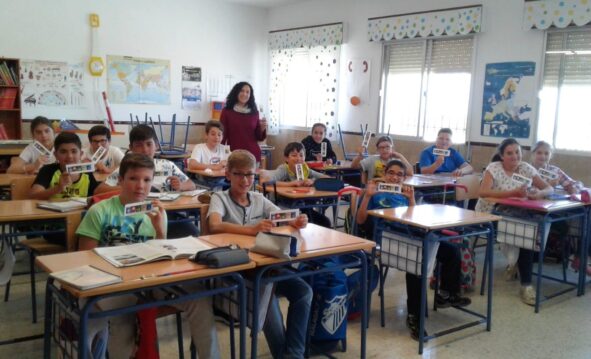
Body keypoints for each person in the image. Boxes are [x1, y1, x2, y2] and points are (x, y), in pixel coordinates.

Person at [77, 153, 220, 359]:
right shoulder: (100, 211)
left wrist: (161, 233)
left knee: (199, 299)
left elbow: (161, 258)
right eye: (133, 178)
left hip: (150, 281)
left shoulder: (156, 213)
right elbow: (85, 258)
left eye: (146, 180)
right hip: (114, 283)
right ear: (120, 180)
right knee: (124, 318)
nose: (140, 186)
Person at [207, 149, 311, 359]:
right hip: (240, 273)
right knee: (267, 299)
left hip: (266, 267)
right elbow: (214, 225)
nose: (246, 180)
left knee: (304, 292)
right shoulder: (219, 197)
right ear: (228, 175)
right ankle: (288, 356)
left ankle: (293, 354)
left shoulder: (258, 198)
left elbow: (282, 215)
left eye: (250, 174)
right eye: (239, 174)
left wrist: (296, 220)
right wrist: (251, 230)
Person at [356, 159, 471, 340]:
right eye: (391, 173)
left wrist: (411, 200)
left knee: (451, 251)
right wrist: (368, 196)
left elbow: (415, 218)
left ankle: (446, 294)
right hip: (387, 239)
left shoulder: (404, 194)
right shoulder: (374, 193)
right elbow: (360, 221)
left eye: (399, 175)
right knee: (416, 264)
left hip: (410, 235)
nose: (394, 177)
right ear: (384, 174)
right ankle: (414, 317)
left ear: (404, 178)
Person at [475, 138, 553, 305]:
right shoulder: (494, 168)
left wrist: (537, 194)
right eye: (509, 153)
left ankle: (519, 268)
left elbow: (549, 188)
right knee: (525, 233)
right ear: (502, 156)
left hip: (517, 213)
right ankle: (526, 285)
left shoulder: (526, 168)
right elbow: (483, 192)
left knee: (534, 230)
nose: (514, 156)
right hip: (490, 213)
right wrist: (513, 193)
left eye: (517, 152)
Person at [102, 125, 198, 237]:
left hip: (167, 213)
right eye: (139, 145)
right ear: (131, 148)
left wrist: (181, 185)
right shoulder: (126, 168)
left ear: (156, 145)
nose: (145, 149)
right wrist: (126, 187)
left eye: (149, 144)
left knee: (193, 233)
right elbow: (100, 189)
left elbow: (192, 185)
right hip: (134, 214)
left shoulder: (167, 165)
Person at [530, 140, 589, 275]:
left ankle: (580, 258)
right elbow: (528, 191)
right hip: (534, 212)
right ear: (532, 154)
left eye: (546, 153)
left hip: (554, 210)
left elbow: (576, 183)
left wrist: (573, 189)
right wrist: (548, 185)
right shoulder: (527, 170)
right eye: (539, 152)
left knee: (586, 216)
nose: (543, 156)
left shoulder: (554, 170)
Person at [262, 142, 332, 228]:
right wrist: (291, 184)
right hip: (282, 207)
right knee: (300, 224)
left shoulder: (305, 169)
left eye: (301, 155)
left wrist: (313, 181)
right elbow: (267, 181)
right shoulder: (284, 169)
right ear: (286, 158)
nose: (298, 158)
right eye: (294, 155)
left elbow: (327, 178)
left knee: (326, 223)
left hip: (301, 207)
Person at [31, 132, 99, 200]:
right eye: (63, 152)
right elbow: (33, 195)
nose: (69, 156)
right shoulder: (47, 170)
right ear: (56, 155)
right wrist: (58, 188)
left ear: (81, 154)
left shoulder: (87, 173)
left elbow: (97, 194)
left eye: (74, 151)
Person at [220, 82, 267, 164]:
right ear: (236, 92)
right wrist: (219, 152)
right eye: (242, 91)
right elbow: (222, 135)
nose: (245, 94)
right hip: (234, 155)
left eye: (248, 92)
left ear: (250, 95)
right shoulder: (227, 111)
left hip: (253, 156)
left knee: (250, 177)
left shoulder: (255, 112)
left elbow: (258, 137)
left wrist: (262, 129)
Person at [188, 120, 230, 189]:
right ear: (206, 135)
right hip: (203, 185)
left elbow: (232, 163)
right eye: (213, 134)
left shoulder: (225, 149)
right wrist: (215, 167)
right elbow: (192, 165)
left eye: (219, 135)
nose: (216, 137)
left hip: (221, 185)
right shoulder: (199, 147)